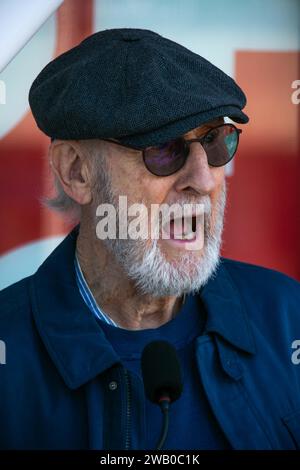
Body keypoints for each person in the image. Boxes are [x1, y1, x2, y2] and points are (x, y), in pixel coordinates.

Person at [0, 28, 299, 451]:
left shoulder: (288, 317)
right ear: (77, 172)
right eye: (164, 148)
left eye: (215, 142)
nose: (204, 179)